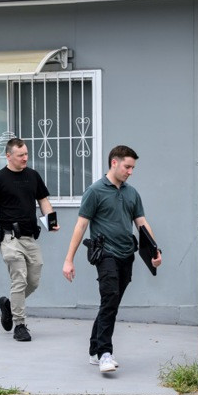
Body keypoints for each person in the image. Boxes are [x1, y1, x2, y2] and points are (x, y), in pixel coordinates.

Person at [62, 145, 162, 373]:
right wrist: (69, 260)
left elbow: (142, 224)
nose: (130, 171)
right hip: (105, 253)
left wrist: (156, 250)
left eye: (133, 168)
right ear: (114, 163)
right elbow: (81, 225)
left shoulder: (131, 193)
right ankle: (105, 353)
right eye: (127, 166)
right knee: (110, 297)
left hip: (127, 254)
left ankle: (93, 350)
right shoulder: (95, 191)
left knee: (111, 303)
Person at [0, 138, 58, 342]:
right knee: (20, 277)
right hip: (8, 237)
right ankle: (20, 325)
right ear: (8, 156)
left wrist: (51, 221)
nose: (25, 158)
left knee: (33, 280)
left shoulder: (32, 176)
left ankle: (8, 305)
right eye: (21, 155)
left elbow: (43, 200)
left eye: (26, 154)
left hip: (29, 237)